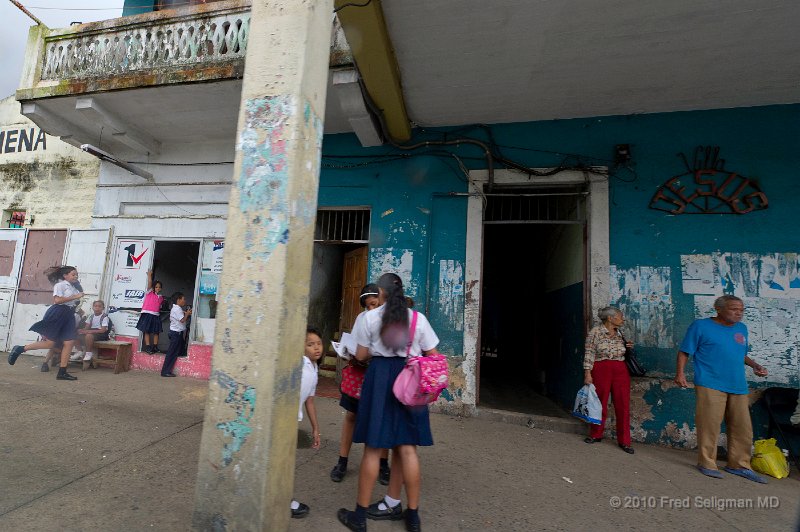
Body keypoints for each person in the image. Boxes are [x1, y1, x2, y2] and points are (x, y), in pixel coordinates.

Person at [337, 273, 439, 532]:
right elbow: (433, 355)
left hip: (381, 379)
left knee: (374, 447)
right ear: (401, 291)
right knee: (406, 449)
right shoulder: (418, 319)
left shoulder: (369, 318)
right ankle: (411, 514)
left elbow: (360, 354)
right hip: (410, 381)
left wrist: (376, 347)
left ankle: (359, 517)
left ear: (380, 293)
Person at [675, 295, 769, 483]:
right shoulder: (700, 326)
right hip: (710, 382)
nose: (739, 313)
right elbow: (685, 351)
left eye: (741, 310)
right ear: (718, 309)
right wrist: (680, 374)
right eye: (734, 309)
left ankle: (739, 465)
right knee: (709, 424)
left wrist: (754, 365)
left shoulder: (741, 329)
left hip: (737, 384)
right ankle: (707, 463)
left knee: (742, 427)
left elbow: (741, 353)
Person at [331, 284, 391, 485]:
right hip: (360, 372)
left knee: (382, 418)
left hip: (381, 373)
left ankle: (383, 464)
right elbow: (356, 344)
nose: (372, 309)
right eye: (368, 307)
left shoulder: (392, 318)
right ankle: (342, 461)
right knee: (351, 416)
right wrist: (351, 353)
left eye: (375, 304)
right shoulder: (361, 318)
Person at [8, 265, 84, 381]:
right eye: (73, 274)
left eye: (76, 274)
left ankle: (62, 372)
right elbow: (57, 300)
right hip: (58, 312)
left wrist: (78, 289)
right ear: (65, 275)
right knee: (50, 343)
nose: (76, 276)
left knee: (69, 343)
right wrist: (75, 296)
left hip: (69, 314)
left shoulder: (74, 287)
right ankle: (20, 348)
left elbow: (77, 299)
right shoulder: (60, 285)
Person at [582, 306, 635, 454]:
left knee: (623, 404)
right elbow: (589, 353)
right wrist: (588, 373)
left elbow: (624, 351)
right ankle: (596, 434)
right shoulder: (595, 332)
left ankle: (625, 441)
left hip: (620, 369)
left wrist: (628, 346)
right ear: (611, 318)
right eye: (620, 316)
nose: (622, 319)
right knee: (599, 403)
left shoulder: (620, 332)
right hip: (601, 368)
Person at [292, 326, 324, 519]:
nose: (316, 348)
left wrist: (315, 429)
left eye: (318, 343)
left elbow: (310, 401)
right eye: (310, 344)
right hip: (282, 420)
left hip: (291, 420)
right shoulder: (300, 363)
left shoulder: (314, 367)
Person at [71, 300, 110, 370]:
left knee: (89, 335)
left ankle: (88, 353)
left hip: (101, 335)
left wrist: (89, 331)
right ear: (93, 307)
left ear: (103, 308)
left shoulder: (104, 317)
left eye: (99, 306)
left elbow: (103, 330)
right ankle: (80, 351)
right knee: (74, 335)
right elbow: (87, 327)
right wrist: (82, 331)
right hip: (91, 333)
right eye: (95, 306)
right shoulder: (91, 316)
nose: (97, 308)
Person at [161, 292, 191, 377]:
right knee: (171, 353)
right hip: (175, 334)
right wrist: (187, 314)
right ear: (178, 300)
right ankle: (165, 371)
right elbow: (182, 320)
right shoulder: (177, 309)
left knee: (174, 352)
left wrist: (186, 313)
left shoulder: (176, 308)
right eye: (183, 299)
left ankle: (167, 371)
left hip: (176, 333)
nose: (184, 301)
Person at [136, 270, 164, 354]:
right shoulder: (149, 293)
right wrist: (149, 275)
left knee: (156, 331)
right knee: (146, 331)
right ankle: (148, 347)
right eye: (156, 287)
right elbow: (149, 284)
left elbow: (159, 306)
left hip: (156, 315)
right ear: (153, 287)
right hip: (147, 314)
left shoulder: (161, 297)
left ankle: (155, 346)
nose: (157, 288)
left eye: (159, 287)